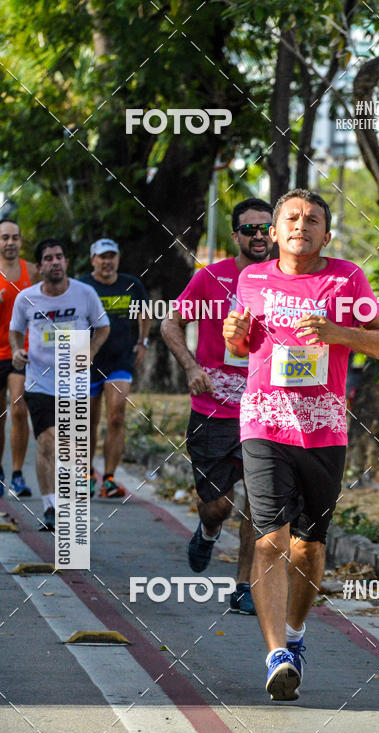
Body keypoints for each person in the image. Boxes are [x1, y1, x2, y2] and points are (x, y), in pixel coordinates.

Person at [223, 188, 379, 700]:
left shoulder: (347, 279)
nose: (302, 225)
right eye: (292, 218)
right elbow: (243, 344)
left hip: (323, 428)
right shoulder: (250, 278)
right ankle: (276, 653)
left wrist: (337, 332)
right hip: (263, 423)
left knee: (308, 547)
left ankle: (297, 635)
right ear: (273, 232)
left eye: (313, 219)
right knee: (271, 538)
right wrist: (236, 333)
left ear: (327, 233)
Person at [161, 198, 273, 615]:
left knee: (260, 502)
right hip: (213, 411)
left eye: (265, 228)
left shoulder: (286, 282)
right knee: (217, 505)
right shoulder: (211, 278)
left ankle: (244, 585)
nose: (258, 236)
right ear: (236, 235)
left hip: (265, 412)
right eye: (250, 229)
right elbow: (169, 323)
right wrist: (191, 367)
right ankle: (208, 531)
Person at [9, 239, 110, 530]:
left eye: (60, 257)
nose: (55, 262)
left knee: (73, 448)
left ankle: (70, 506)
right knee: (47, 442)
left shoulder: (84, 293)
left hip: (74, 383)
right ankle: (51, 506)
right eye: (49, 258)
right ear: (40, 267)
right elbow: (15, 332)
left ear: (66, 262)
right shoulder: (26, 298)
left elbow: (103, 326)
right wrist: (17, 351)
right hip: (39, 382)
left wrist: (90, 351)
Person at [79, 239, 151, 498]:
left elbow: (145, 313)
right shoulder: (83, 286)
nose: (107, 261)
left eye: (111, 256)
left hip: (120, 360)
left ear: (118, 259)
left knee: (117, 415)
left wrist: (143, 342)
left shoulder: (131, 284)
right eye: (102, 257)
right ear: (93, 260)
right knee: (89, 421)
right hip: (89, 360)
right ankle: (87, 475)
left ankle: (109, 478)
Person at [0, 219, 38, 498]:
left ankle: (17, 474)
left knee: (19, 408)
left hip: (23, 351)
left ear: (20, 241)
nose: (10, 243)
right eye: (5, 238)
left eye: (15, 237)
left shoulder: (33, 271)